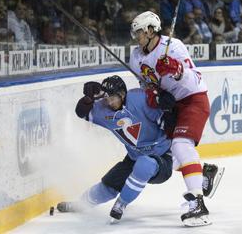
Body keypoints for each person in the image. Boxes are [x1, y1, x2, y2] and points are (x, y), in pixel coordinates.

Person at [129, 11, 224, 226]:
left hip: (192, 99)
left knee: (181, 145)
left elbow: (195, 78)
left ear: (151, 30)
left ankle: (198, 204)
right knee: (170, 157)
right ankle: (204, 174)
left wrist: (177, 70)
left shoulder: (173, 47)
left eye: (140, 33)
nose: (136, 37)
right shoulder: (135, 56)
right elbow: (146, 85)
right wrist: (153, 95)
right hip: (171, 108)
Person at [57, 75, 176, 221]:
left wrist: (169, 109)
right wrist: (88, 98)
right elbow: (81, 112)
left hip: (162, 156)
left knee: (145, 164)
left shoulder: (140, 99)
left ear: (123, 94)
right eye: (107, 98)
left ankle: (121, 204)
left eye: (113, 98)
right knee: (107, 186)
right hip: (133, 158)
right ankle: (81, 204)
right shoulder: (103, 109)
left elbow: (169, 124)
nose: (110, 102)